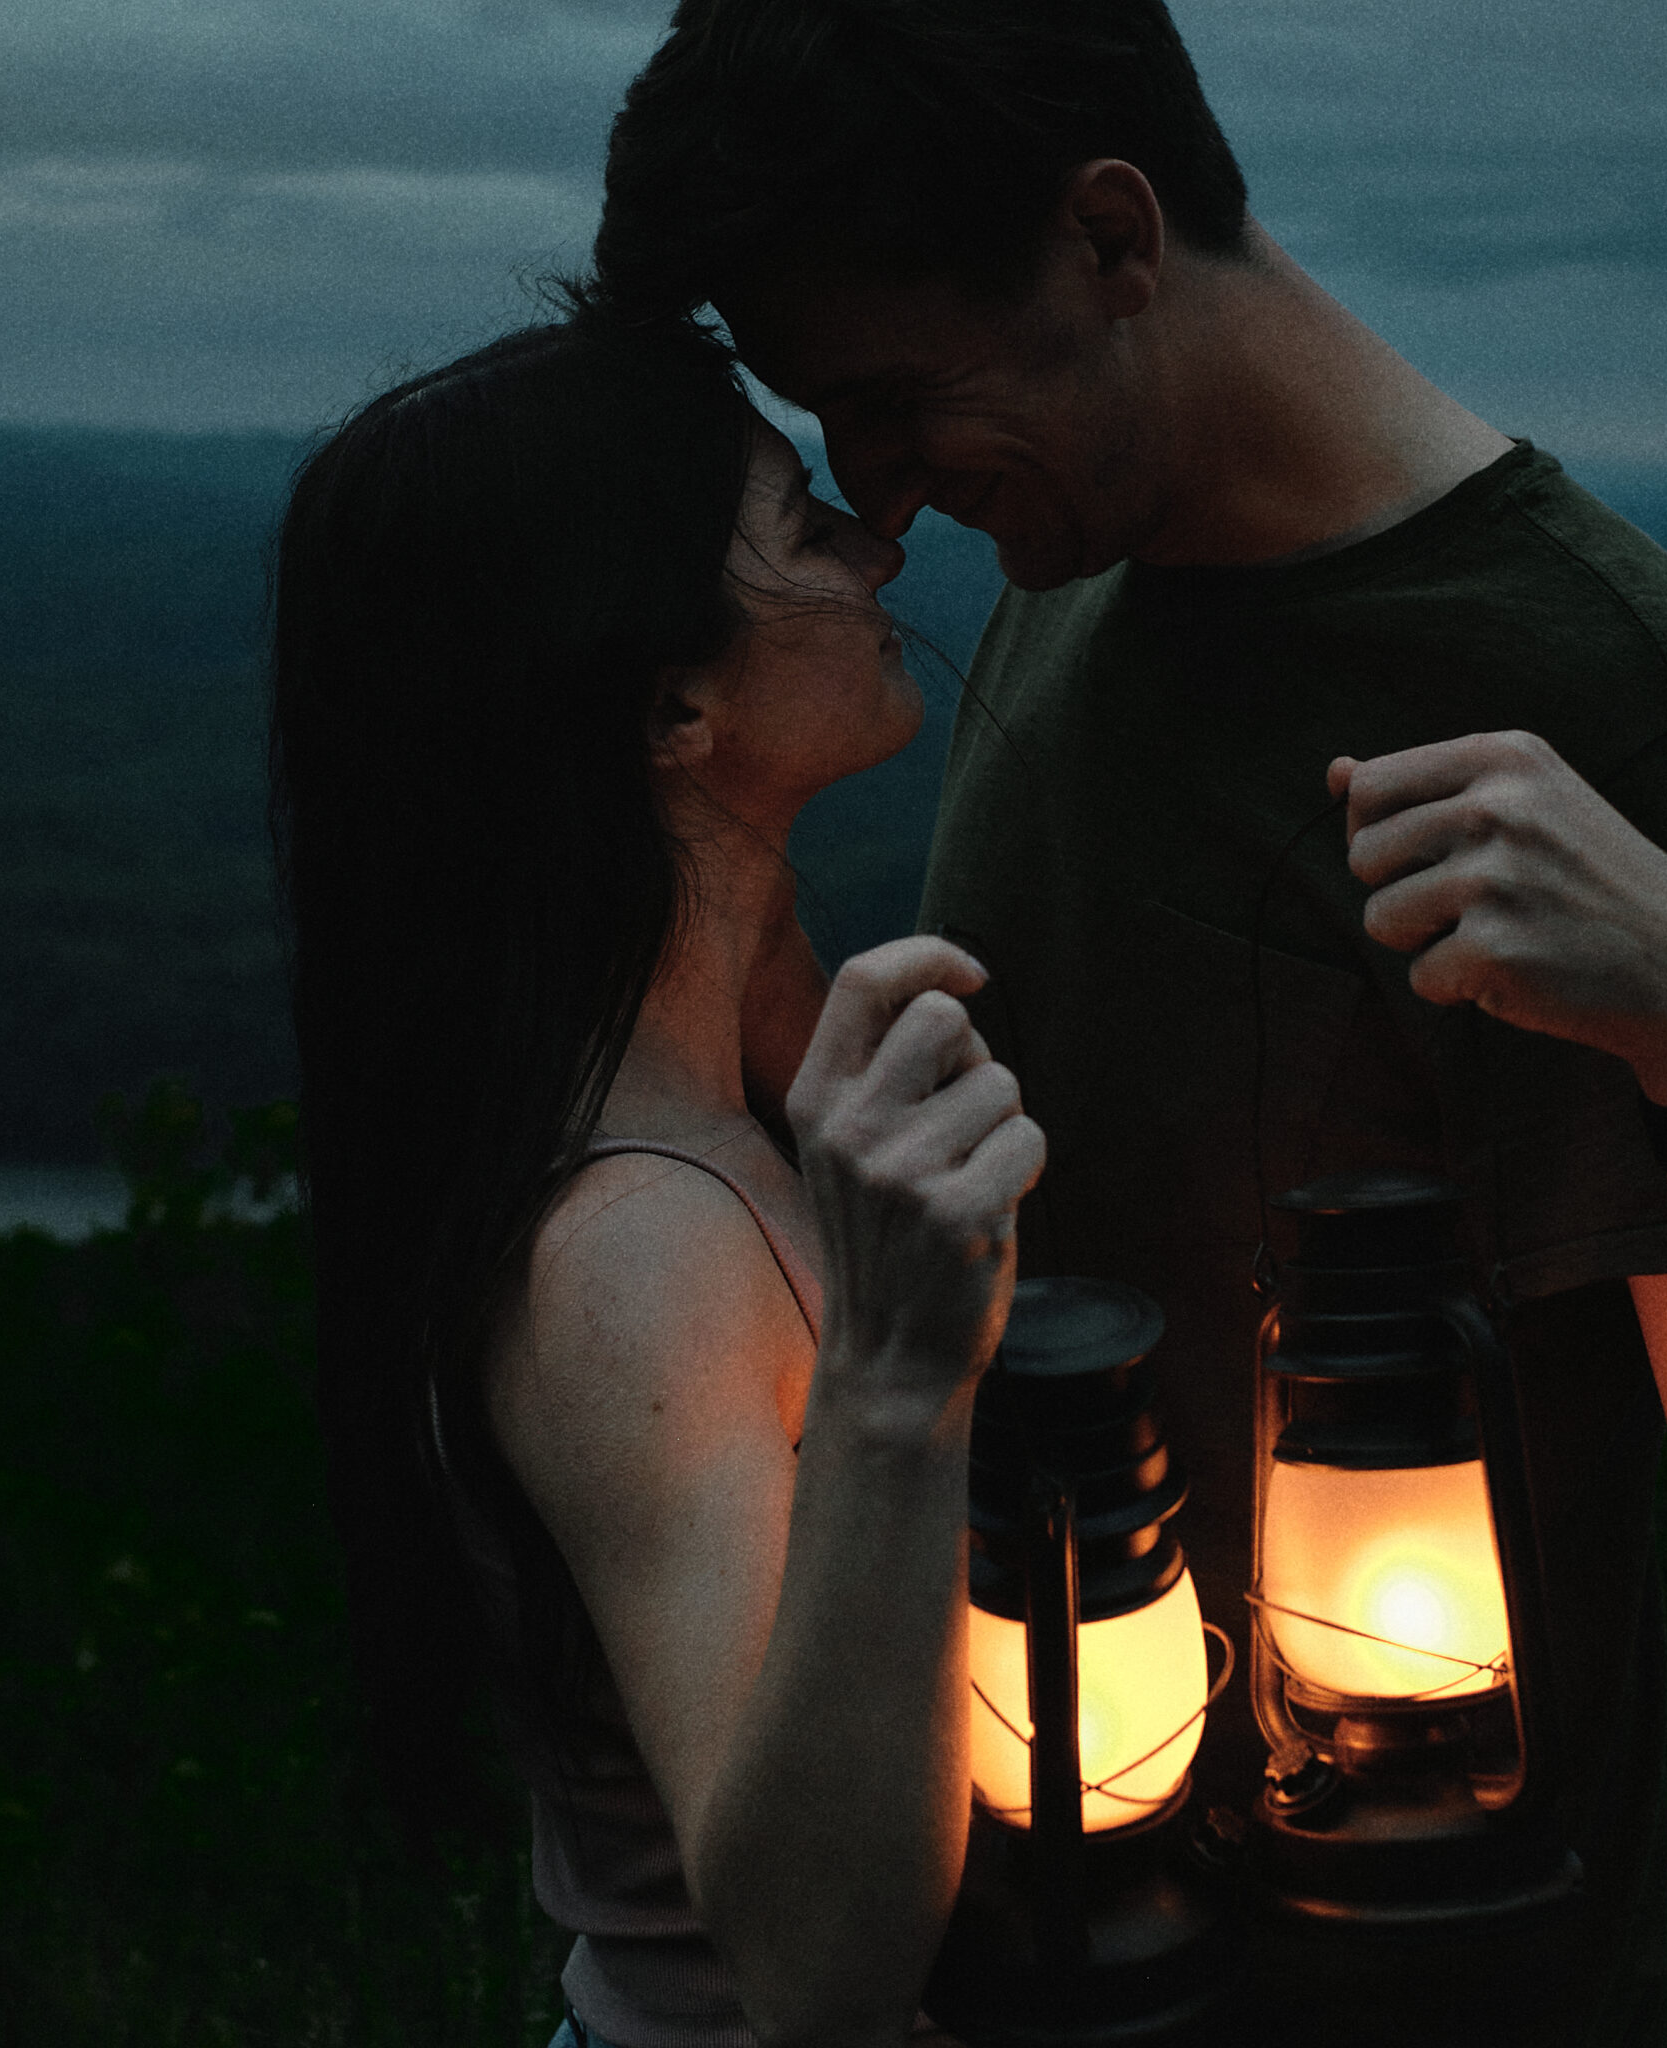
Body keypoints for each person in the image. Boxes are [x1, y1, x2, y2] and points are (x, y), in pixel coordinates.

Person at [589, 3, 1667, 2041]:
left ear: (1110, 236)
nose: (873, 504)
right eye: (829, 430)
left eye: (894, 401)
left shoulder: (1585, 689)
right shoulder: (1075, 566)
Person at [269, 303, 1043, 2048]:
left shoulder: (731, 1064)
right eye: (796, 522)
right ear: (676, 702)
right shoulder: (634, 1260)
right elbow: (815, 1973)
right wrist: (899, 1383)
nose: (879, 541)